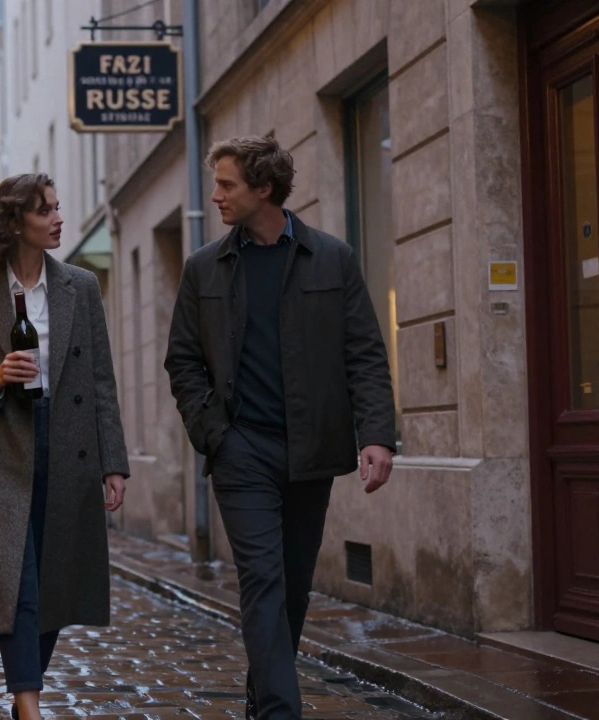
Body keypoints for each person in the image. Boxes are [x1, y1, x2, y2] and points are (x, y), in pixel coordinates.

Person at [164, 135, 396, 719]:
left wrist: (375, 434)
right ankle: (278, 711)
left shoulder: (332, 258)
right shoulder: (202, 268)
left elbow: (364, 353)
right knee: (262, 582)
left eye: (226, 184)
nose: (215, 195)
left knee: (292, 588)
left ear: (263, 189)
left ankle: (262, 688)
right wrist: (215, 434)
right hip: (241, 450)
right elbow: (183, 361)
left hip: (311, 451)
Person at [0, 173, 129, 720]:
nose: (58, 218)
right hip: (1, 450)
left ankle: (26, 686)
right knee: (14, 578)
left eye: (58, 208)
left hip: (68, 448)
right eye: (45, 210)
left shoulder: (81, 287)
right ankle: (29, 704)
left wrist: (113, 462)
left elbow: (100, 382)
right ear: (15, 221)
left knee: (54, 581)